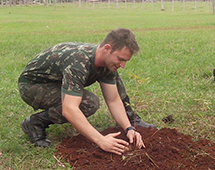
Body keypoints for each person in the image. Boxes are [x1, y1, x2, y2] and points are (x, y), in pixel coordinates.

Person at [18, 28, 155, 155]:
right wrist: (101, 140)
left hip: (56, 82)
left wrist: (128, 128)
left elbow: (113, 99)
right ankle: (35, 123)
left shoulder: (107, 62)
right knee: (88, 103)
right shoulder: (78, 62)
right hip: (33, 86)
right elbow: (70, 109)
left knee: (88, 102)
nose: (123, 65)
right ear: (107, 48)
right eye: (120, 59)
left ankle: (38, 120)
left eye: (125, 61)